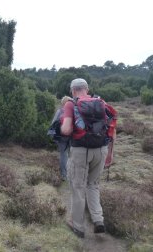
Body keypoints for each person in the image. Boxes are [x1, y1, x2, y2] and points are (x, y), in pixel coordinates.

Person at [60, 78, 114, 238]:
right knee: (93, 185)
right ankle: (98, 220)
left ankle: (78, 226)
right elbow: (111, 128)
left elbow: (67, 129)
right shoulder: (101, 102)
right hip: (101, 149)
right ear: (87, 89)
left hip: (81, 151)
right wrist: (110, 153)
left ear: (72, 90)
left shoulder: (70, 104)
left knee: (78, 187)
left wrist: (61, 125)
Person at [50, 95, 72, 181]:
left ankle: (64, 175)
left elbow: (53, 124)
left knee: (63, 155)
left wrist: (52, 137)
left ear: (62, 103)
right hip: (72, 136)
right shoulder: (73, 110)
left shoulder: (59, 111)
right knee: (72, 155)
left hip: (61, 137)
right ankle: (71, 174)